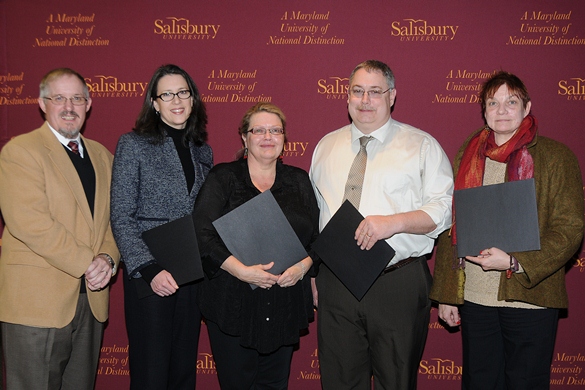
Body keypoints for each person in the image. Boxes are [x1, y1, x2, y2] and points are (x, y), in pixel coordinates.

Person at [430, 71, 584, 390]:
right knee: (480, 382)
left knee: (525, 382)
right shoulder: (468, 153)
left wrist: (516, 262)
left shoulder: (556, 157)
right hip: (476, 297)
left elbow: (570, 228)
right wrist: (448, 294)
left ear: (526, 108)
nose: (501, 109)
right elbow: (452, 224)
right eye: (493, 102)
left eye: (511, 101)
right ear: (484, 111)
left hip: (530, 297)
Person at [309, 60, 454, 389]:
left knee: (396, 381)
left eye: (375, 92)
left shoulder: (421, 146)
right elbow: (316, 218)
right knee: (339, 381)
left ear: (392, 96)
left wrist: (393, 223)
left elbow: (444, 209)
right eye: (357, 91)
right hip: (336, 283)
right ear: (346, 96)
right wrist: (316, 272)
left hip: (396, 281)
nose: (365, 100)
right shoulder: (324, 148)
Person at [0, 68, 120, 390]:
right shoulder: (20, 151)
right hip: (36, 303)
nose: (69, 107)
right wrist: (88, 263)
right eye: (59, 98)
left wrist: (108, 259)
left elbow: (115, 220)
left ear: (89, 104)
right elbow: (29, 222)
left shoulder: (103, 157)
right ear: (42, 103)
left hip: (91, 301)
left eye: (77, 98)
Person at [193, 102, 318, 389]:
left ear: (284, 139)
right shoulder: (223, 178)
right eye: (258, 130)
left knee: (275, 384)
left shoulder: (299, 181)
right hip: (233, 302)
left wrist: (303, 266)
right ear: (244, 138)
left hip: (285, 301)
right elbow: (201, 234)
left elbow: (317, 237)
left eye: (275, 130)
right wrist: (241, 271)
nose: (267, 137)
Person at [110, 64, 212, 390]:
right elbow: (121, 215)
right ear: (154, 102)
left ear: (193, 99)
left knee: (183, 370)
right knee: (151, 373)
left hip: (190, 273)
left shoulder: (202, 151)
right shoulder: (133, 144)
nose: (176, 100)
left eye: (183, 92)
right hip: (150, 274)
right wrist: (150, 269)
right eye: (167, 94)